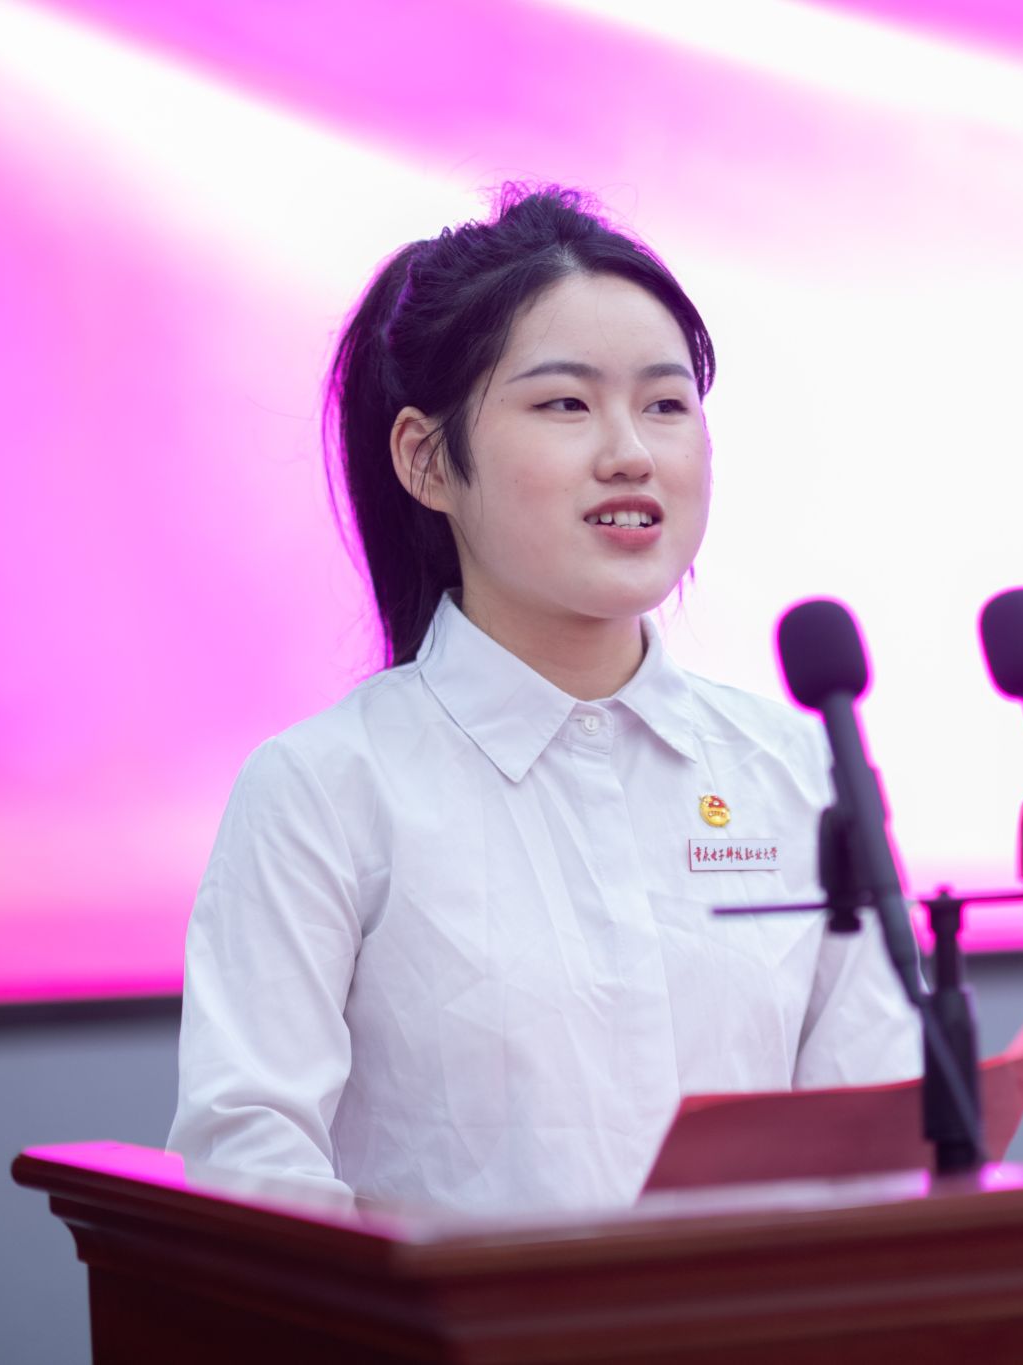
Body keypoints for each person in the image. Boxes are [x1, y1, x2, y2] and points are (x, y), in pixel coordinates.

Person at [167, 186, 921, 1215]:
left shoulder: (792, 771)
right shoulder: (323, 792)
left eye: (665, 404)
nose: (630, 452)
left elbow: (882, 1156)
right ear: (426, 460)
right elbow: (254, 1184)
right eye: (565, 404)